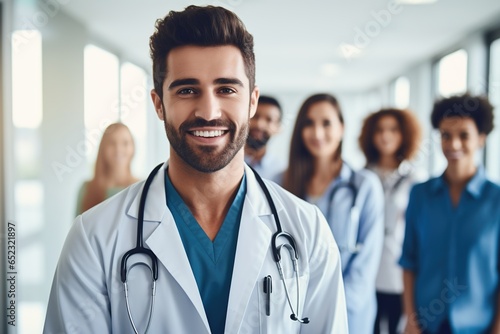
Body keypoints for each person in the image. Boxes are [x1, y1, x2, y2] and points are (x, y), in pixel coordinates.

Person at [43, 6, 348, 334]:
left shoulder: (308, 230)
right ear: (159, 103)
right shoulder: (94, 239)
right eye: (187, 90)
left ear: (252, 101)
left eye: (226, 89)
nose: (208, 111)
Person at [283, 93, 384, 334]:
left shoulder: (364, 185)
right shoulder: (282, 184)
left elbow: (364, 266)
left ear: (341, 128)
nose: (317, 132)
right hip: (294, 314)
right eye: (308, 123)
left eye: (326, 123)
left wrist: (330, 312)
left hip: (348, 316)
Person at [399, 93, 500, 334]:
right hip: (427, 325)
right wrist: (411, 320)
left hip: (479, 326)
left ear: (481, 139)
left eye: (464, 135)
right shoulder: (420, 195)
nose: (453, 144)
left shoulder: (496, 199)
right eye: (446, 135)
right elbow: (409, 261)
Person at [358, 108, 422, 334]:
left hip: (397, 270)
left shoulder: (413, 180)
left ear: (404, 135)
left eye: (393, 130)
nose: (386, 136)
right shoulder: (361, 177)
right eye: (380, 130)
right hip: (367, 267)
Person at [75, 122, 139, 215]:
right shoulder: (86, 189)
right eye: (112, 143)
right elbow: (77, 228)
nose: (118, 149)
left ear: (133, 148)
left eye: (125, 143)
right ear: (103, 149)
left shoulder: (143, 188)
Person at [245, 95, 286, 183]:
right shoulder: (224, 163)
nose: (259, 124)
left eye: (269, 120)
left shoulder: (282, 172)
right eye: (255, 116)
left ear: (278, 128)